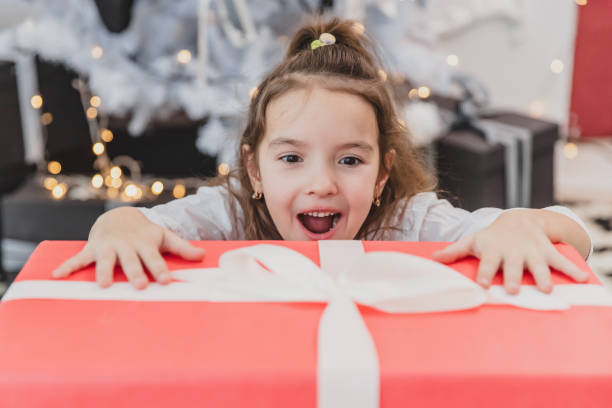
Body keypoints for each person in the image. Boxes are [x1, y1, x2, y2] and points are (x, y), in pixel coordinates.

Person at [52, 18, 591, 295]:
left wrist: (522, 224)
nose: (322, 184)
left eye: (350, 161)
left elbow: (572, 230)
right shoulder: (229, 214)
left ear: (383, 175)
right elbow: (137, 224)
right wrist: (120, 225)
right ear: (255, 169)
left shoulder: (409, 220)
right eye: (292, 159)